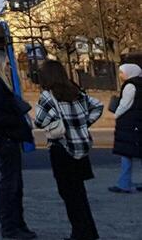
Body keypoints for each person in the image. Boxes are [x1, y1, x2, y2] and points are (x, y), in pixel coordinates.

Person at [33, 59, 104, 240]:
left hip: (62, 148)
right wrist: (83, 123)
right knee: (80, 193)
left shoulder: (48, 96)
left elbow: (39, 121)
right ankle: (89, 231)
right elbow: (98, 105)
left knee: (68, 194)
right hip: (81, 147)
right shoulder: (76, 92)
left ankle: (79, 233)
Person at [0, 49, 36, 239]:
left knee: (14, 184)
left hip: (8, 139)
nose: (10, 67)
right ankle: (11, 227)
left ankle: (17, 224)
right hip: (7, 139)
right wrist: (15, 121)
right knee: (11, 185)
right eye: (7, 64)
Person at [108, 62, 142, 193]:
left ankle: (124, 184)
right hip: (138, 123)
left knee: (126, 154)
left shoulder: (130, 86)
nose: (120, 75)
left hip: (129, 124)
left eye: (122, 72)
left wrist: (116, 115)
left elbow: (125, 105)